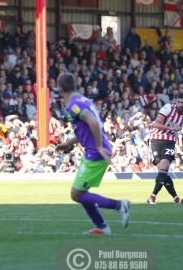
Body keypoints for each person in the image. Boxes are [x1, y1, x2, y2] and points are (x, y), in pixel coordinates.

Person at [55, 73, 130, 235]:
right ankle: (102, 227)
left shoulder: (74, 105)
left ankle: (119, 205)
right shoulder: (82, 100)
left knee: (76, 194)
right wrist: (68, 143)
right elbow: (86, 127)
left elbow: (93, 122)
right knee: (82, 193)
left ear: (60, 88)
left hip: (96, 152)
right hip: (96, 150)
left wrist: (98, 146)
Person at [146, 92, 183, 205]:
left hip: (170, 141)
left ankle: (152, 197)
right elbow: (155, 124)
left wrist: (175, 130)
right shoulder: (167, 108)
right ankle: (176, 198)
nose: (181, 104)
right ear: (176, 102)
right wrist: (171, 128)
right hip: (156, 138)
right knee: (163, 171)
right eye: (179, 102)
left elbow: (178, 128)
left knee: (164, 166)